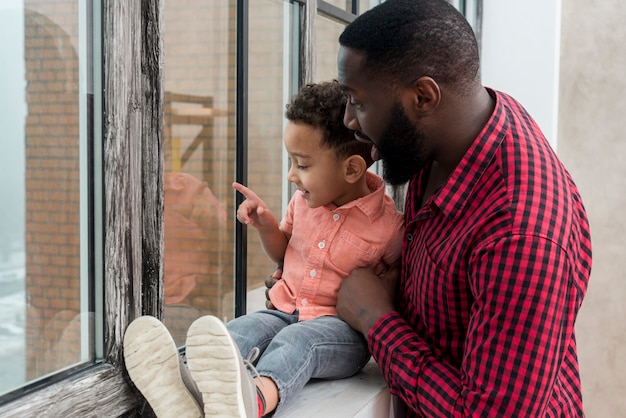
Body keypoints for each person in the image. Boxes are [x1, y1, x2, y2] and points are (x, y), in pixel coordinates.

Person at [278, 0, 590, 417]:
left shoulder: (521, 231)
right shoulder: (451, 137)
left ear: (423, 96)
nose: (350, 120)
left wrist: (375, 318)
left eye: (359, 102)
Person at [123, 80, 404, 418]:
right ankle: (185, 392)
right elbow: (284, 254)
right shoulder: (303, 204)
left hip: (340, 335)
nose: (291, 176)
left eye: (302, 164)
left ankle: (253, 401)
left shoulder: (388, 226)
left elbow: (397, 284)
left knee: (298, 343)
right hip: (284, 311)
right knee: (243, 329)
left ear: (351, 170)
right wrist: (267, 225)